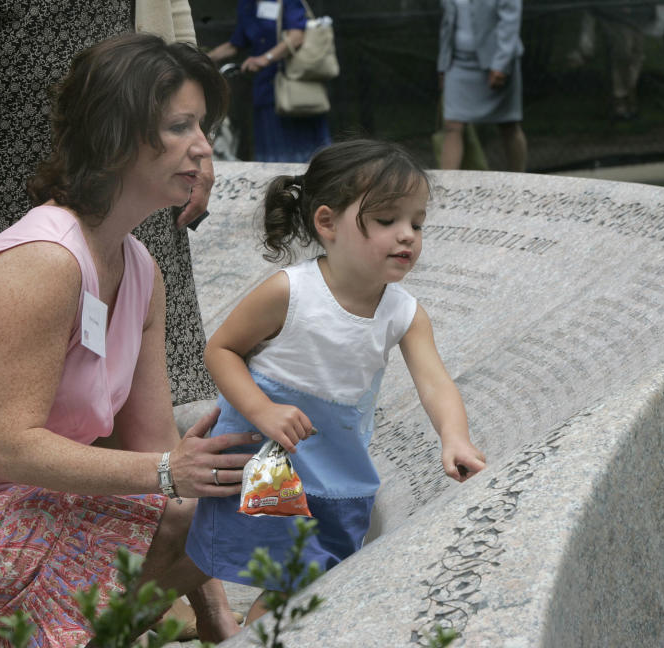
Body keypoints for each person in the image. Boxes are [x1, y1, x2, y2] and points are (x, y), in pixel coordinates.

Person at [0, 34, 251, 646]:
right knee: (189, 503)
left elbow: (158, 447)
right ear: (115, 135)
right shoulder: (46, 258)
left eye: (203, 126)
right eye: (180, 125)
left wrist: (220, 622)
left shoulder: (141, 270)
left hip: (21, 519)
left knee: (230, 497)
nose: (202, 147)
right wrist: (168, 472)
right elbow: (13, 449)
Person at [185, 139, 488, 623]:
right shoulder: (291, 291)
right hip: (270, 453)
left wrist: (455, 439)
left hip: (337, 467)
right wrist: (263, 410)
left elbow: (435, 384)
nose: (407, 235)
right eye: (387, 220)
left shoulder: (404, 313)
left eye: (417, 222)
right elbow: (221, 350)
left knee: (313, 576)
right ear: (327, 223)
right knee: (295, 577)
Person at [0, 0, 215, 407]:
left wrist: (193, 142)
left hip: (135, 142)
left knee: (130, 325)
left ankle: (135, 465)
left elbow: (173, 14)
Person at [206, 0, 332, 163]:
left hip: (294, 87)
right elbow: (235, 44)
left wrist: (266, 58)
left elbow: (297, 36)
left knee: (306, 152)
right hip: (266, 91)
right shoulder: (247, 5)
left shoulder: (289, 2)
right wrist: (203, 58)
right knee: (273, 152)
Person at [437, 0, 528, 172]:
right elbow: (446, 22)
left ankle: (521, 181)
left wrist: (501, 64)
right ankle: (445, 188)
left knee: (509, 124)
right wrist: (443, 65)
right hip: (458, 63)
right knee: (451, 125)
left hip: (496, 62)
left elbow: (510, 22)